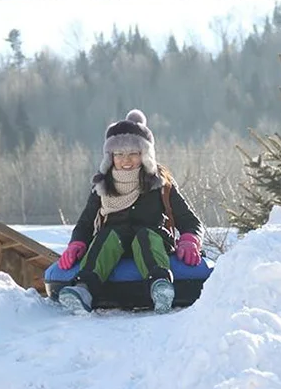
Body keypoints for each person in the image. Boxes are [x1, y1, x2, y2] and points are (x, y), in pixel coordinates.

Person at [55, 109, 204, 314]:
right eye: (119, 154)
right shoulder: (102, 186)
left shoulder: (159, 183)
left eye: (133, 153)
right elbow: (86, 223)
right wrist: (76, 244)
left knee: (145, 236)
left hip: (152, 240)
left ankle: (160, 286)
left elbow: (189, 220)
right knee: (108, 235)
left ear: (144, 154)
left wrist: (189, 240)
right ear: (111, 157)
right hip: (114, 243)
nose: (126, 161)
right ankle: (83, 289)